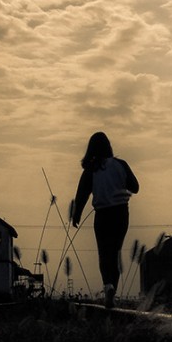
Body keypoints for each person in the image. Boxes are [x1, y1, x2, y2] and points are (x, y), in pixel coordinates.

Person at [70, 131, 139, 309]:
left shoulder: (90, 171)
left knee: (104, 253)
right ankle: (112, 292)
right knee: (115, 252)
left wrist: (76, 215)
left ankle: (107, 285)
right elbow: (135, 187)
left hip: (102, 216)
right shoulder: (121, 164)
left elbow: (81, 195)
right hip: (121, 214)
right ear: (109, 146)